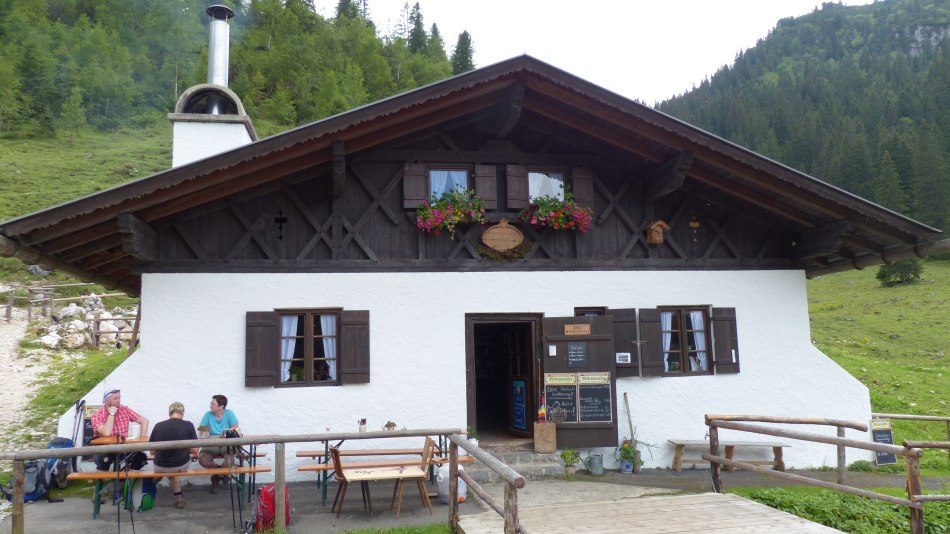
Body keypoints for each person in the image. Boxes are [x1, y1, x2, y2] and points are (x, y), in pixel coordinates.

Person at [149, 402, 198, 509]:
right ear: (183, 412)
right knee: (175, 469)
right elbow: (195, 450)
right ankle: (178, 497)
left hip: (159, 465)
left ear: (169, 413)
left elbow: (152, 452)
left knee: (170, 468)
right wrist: (185, 448)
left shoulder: (158, 425)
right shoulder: (188, 425)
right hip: (179, 465)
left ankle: (159, 475)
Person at [197, 394, 240, 494]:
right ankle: (222, 474)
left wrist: (222, 435)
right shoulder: (208, 415)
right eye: (211, 403)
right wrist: (207, 434)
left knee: (230, 459)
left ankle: (216, 478)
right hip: (212, 444)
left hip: (227, 443)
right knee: (203, 459)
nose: (210, 405)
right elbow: (202, 432)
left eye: (213, 404)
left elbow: (236, 430)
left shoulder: (229, 414)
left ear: (221, 406)